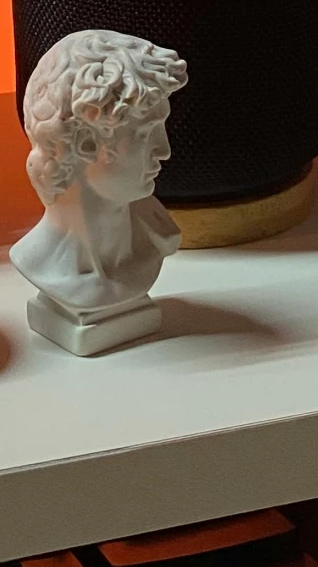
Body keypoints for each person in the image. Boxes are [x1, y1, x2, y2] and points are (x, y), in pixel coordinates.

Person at [10, 30, 188, 354]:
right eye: (145, 133)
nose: (164, 151)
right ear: (86, 143)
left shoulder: (156, 235)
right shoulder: (37, 259)